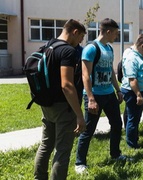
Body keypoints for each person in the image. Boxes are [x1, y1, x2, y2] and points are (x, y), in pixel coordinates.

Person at [34, 19, 86, 180]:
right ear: (75, 32)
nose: (80, 42)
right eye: (81, 38)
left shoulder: (47, 46)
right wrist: (79, 114)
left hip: (46, 104)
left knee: (46, 144)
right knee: (62, 150)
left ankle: (39, 177)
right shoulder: (67, 51)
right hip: (64, 107)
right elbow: (67, 85)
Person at [75, 18, 125, 174]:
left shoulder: (109, 49)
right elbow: (85, 76)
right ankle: (80, 163)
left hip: (109, 94)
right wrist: (90, 98)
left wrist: (118, 90)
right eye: (116, 33)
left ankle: (115, 154)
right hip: (94, 96)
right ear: (108, 31)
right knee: (88, 130)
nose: (116, 37)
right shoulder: (91, 48)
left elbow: (110, 72)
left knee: (117, 124)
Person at [121, 34, 143, 149]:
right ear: (142, 46)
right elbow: (132, 79)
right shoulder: (132, 58)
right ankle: (132, 144)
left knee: (132, 116)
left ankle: (132, 138)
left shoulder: (137, 54)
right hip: (133, 92)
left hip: (138, 91)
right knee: (133, 118)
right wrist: (138, 95)